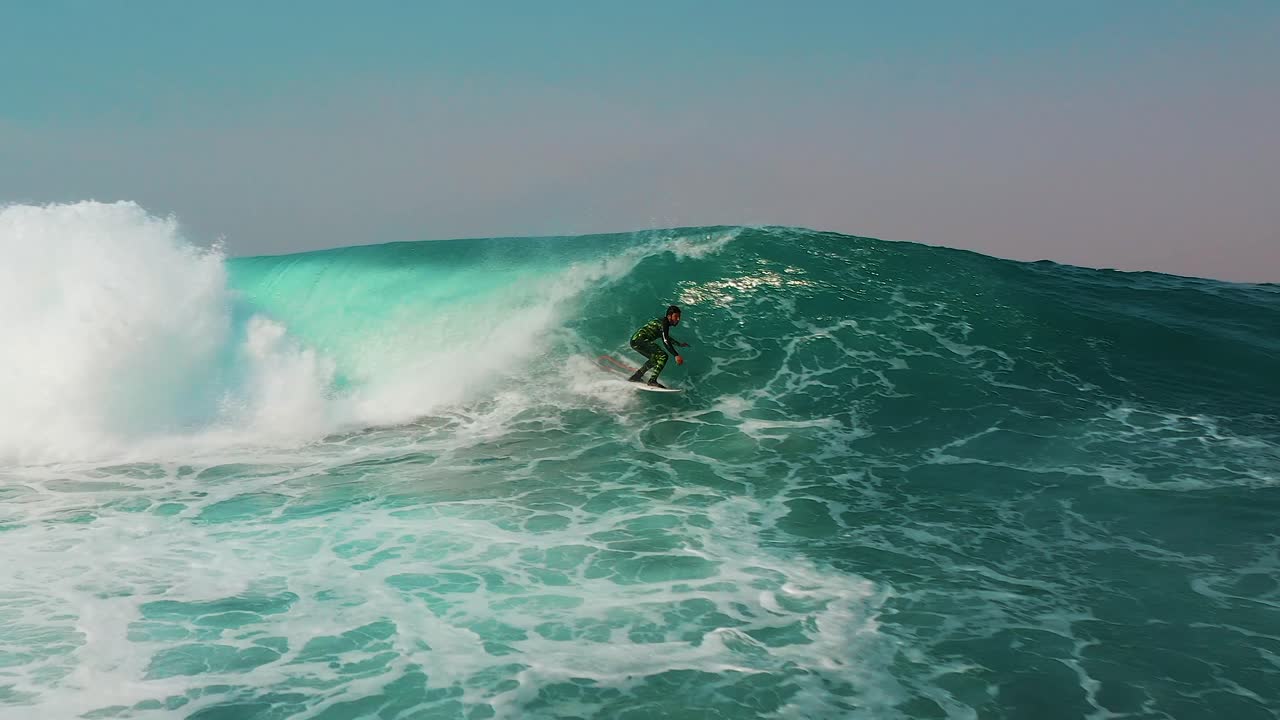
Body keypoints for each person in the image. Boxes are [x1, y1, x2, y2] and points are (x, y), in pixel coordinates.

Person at [628, 305, 689, 387]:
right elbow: (665, 340)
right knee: (663, 356)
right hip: (640, 340)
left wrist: (679, 344)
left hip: (635, 341)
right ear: (669, 316)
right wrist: (676, 355)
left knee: (654, 358)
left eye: (679, 317)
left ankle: (636, 376)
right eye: (676, 316)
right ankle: (652, 381)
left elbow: (665, 336)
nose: (678, 319)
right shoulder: (664, 323)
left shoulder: (664, 322)